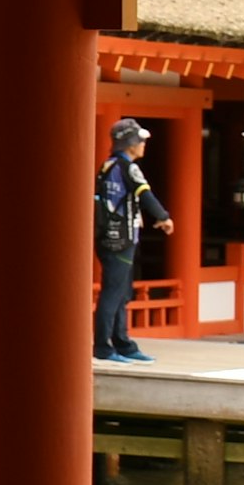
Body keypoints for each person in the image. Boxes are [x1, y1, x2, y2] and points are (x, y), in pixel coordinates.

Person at [94, 116, 172, 364]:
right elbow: (145, 194)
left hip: (107, 237)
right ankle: (104, 347)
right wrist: (163, 217)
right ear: (129, 143)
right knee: (114, 292)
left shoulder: (106, 166)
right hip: (121, 239)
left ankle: (123, 343)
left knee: (121, 292)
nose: (143, 145)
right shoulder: (128, 168)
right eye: (139, 140)